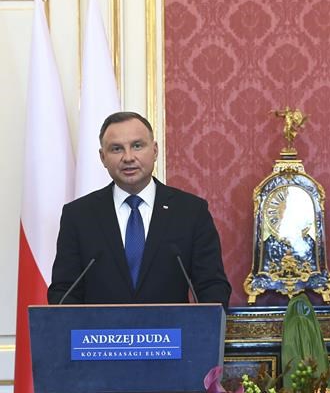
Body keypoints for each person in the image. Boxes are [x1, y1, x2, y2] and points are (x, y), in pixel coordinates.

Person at [48, 112, 231, 305]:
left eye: (137, 146)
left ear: (155, 150)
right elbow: (64, 291)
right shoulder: (78, 216)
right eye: (117, 149)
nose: (128, 157)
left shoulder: (190, 212)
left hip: (171, 325)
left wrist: (203, 322)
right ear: (103, 157)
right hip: (100, 326)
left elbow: (212, 286)